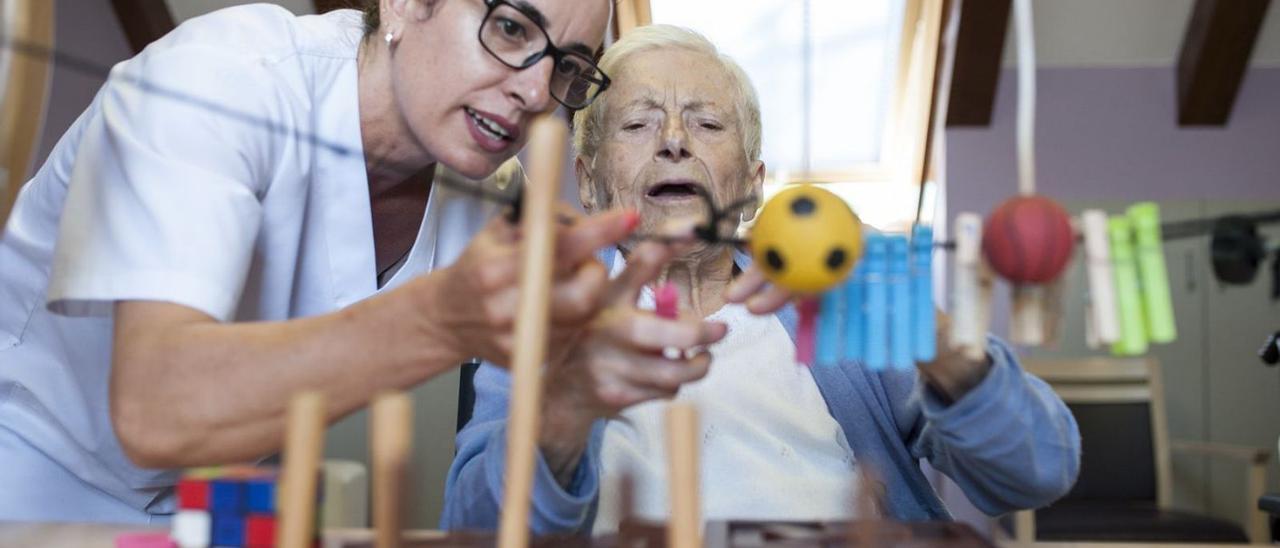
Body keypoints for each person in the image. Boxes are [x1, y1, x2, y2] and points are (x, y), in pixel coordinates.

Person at [0, 0, 693, 523]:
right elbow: (157, 410)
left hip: (220, 510)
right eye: (511, 28)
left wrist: (570, 398)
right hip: (29, 482)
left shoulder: (496, 198)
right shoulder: (219, 78)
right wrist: (440, 319)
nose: (536, 93)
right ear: (401, 4)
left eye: (569, 68)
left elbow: (493, 508)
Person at [441, 24, 1081, 534]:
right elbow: (471, 525)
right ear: (588, 180)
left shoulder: (840, 302)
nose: (672, 141)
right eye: (637, 124)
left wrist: (934, 337)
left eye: (707, 123)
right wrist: (568, 404)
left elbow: (1035, 475)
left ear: (751, 184)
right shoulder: (538, 316)